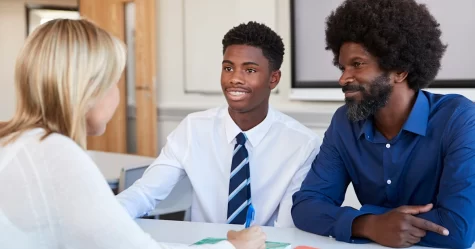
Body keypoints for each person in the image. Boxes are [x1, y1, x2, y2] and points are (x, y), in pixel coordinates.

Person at [0, 18, 266, 249]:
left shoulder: (18, 142)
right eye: (115, 82)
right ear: (88, 89)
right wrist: (232, 246)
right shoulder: (56, 153)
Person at [291, 0, 475, 248]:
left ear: (399, 70)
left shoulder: (459, 118)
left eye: (357, 64)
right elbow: (306, 206)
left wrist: (365, 219)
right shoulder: (344, 123)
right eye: (342, 66)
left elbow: (457, 229)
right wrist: (368, 225)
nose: (343, 78)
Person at [116, 21, 320, 228]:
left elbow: (288, 228)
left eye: (249, 70)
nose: (235, 79)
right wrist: (104, 219)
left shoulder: (302, 144)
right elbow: (145, 192)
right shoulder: (193, 128)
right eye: (228, 68)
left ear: (273, 78)